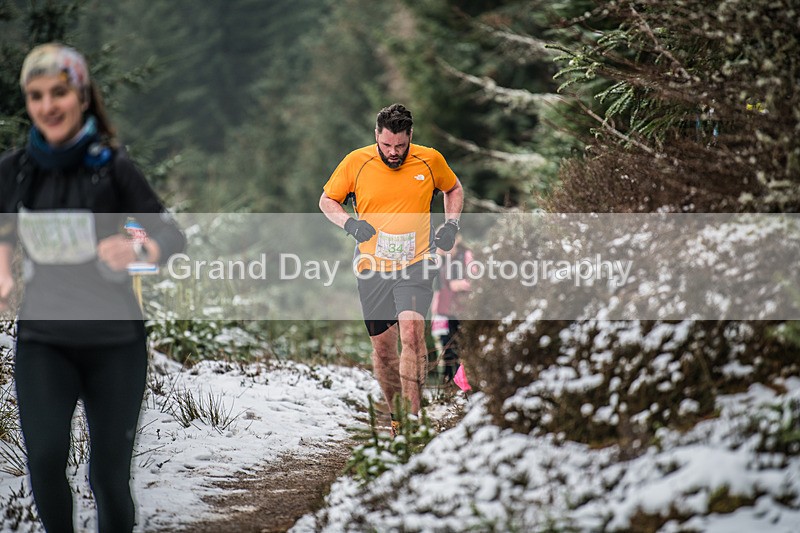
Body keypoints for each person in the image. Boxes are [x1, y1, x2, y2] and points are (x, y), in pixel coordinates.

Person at [0, 43, 185, 532]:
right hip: (44, 341)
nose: (47, 106)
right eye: (36, 96)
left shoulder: (111, 166)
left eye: (58, 92)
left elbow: (168, 235)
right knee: (42, 461)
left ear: (80, 95)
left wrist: (137, 250)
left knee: (107, 477)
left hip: (115, 344)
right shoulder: (15, 170)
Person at [319, 103, 463, 435]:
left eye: (400, 145)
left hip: (417, 262)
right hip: (372, 266)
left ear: (410, 136)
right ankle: (398, 417)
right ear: (377, 137)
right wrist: (350, 225)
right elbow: (327, 200)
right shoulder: (357, 161)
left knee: (412, 333)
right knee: (384, 350)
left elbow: (453, 188)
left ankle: (414, 423)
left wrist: (451, 225)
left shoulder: (429, 159)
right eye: (386, 146)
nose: (394, 152)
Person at [431, 232, 473, 383]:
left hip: (462, 310)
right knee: (444, 348)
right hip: (442, 311)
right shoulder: (440, 260)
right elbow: (437, 288)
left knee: (463, 348)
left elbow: (475, 280)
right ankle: (447, 385)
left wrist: (459, 284)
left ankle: (464, 385)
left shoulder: (466, 256)